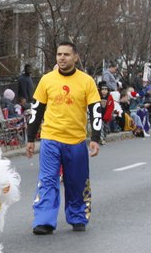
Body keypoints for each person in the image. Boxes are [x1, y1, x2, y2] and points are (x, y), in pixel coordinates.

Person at [25, 41, 101, 234]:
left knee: (76, 181)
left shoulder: (86, 81)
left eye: (66, 54)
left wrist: (95, 138)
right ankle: (44, 220)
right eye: (59, 54)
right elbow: (36, 110)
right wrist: (30, 138)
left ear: (75, 57)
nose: (62, 58)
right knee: (48, 180)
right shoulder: (47, 80)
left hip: (75, 141)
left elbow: (95, 110)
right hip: (51, 139)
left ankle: (77, 216)